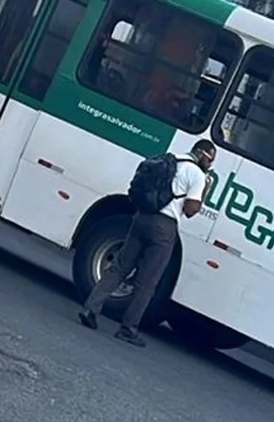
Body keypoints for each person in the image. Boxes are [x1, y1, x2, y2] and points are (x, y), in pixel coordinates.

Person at [78, 140, 216, 347]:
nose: (211, 163)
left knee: (119, 267)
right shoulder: (197, 175)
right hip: (164, 227)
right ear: (201, 153)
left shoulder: (172, 159)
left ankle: (91, 308)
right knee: (147, 281)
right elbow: (190, 210)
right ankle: (128, 328)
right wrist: (204, 190)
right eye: (210, 158)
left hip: (141, 217)